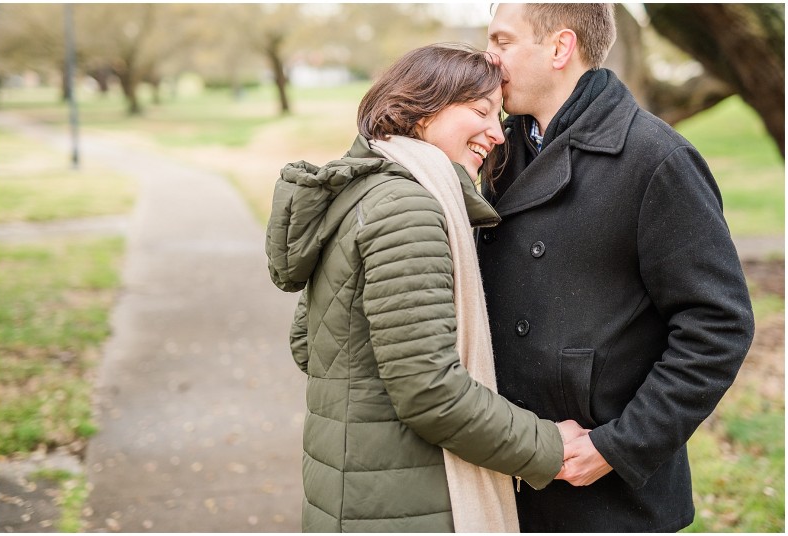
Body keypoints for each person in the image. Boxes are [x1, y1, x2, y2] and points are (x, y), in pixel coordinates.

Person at [266, 43, 582, 533]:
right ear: (419, 108)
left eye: (498, 116)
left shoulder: (362, 191)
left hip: (355, 489)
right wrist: (551, 447)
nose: (498, 134)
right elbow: (430, 391)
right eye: (480, 111)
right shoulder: (407, 209)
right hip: (403, 503)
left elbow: (310, 345)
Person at [478, 3, 756, 532]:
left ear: (560, 48)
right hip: (506, 477)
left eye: (503, 41)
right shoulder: (494, 149)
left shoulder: (657, 159)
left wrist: (618, 445)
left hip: (606, 497)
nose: (488, 60)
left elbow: (718, 327)